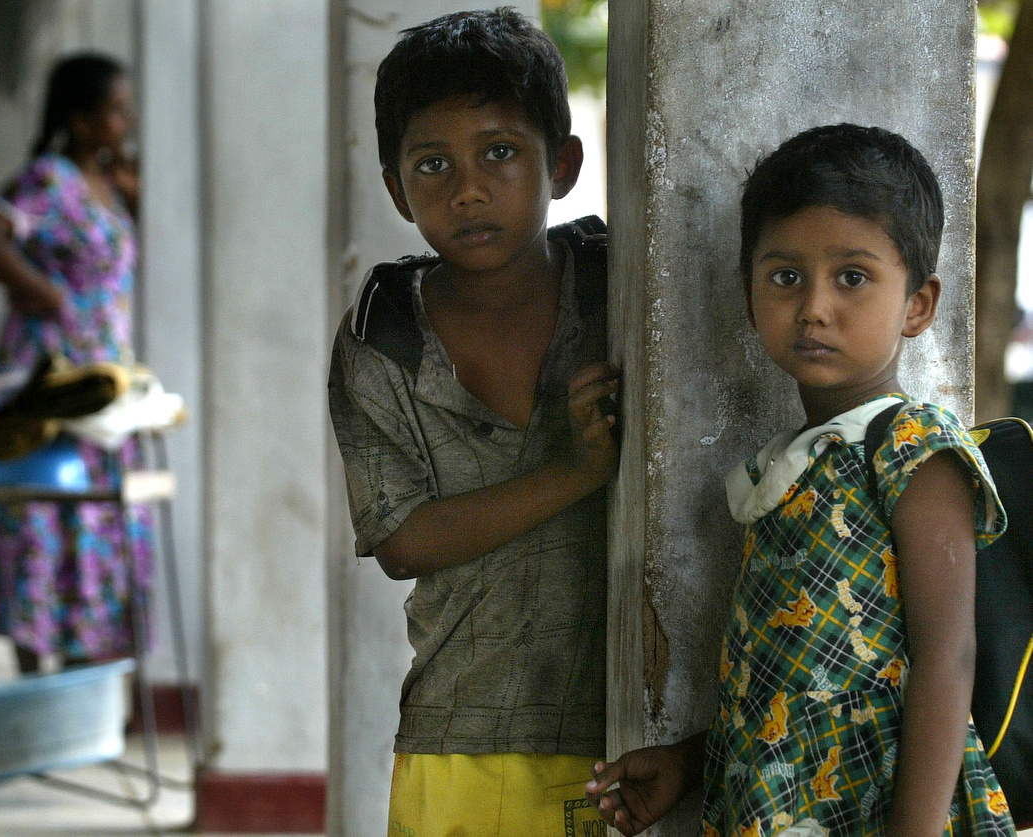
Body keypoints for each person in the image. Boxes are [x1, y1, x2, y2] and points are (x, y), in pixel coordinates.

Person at [587, 124, 1018, 836]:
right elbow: (789, 683)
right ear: (749, 291)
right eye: (786, 276)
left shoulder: (912, 450)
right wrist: (691, 762)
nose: (814, 306)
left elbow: (948, 658)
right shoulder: (792, 463)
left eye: (852, 276)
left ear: (918, 303)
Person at [327, 9, 619, 834]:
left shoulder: (618, 289)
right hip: (461, 733)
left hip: (631, 731)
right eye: (432, 164)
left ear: (560, 164)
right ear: (396, 188)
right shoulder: (381, 340)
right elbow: (402, 539)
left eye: (500, 152)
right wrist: (574, 471)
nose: (468, 189)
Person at [0, 52, 150, 674]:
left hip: (103, 374)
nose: (127, 120)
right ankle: (34, 669)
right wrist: (43, 292)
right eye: (115, 109)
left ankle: (82, 670)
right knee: (40, 509)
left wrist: (135, 196)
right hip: (50, 369)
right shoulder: (49, 179)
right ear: (79, 116)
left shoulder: (112, 181)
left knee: (95, 517)